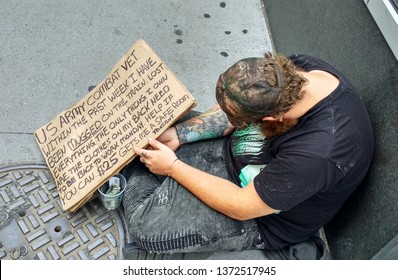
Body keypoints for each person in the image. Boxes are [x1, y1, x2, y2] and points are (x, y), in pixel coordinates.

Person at [121, 53, 374, 259]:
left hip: (258, 213)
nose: (230, 119)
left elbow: (242, 206)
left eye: (238, 119)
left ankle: (135, 171)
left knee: (146, 229)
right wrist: (182, 133)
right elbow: (231, 112)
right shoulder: (290, 72)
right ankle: (158, 174)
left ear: (272, 118)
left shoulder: (319, 153)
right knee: (155, 124)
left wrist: (173, 168)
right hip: (237, 152)